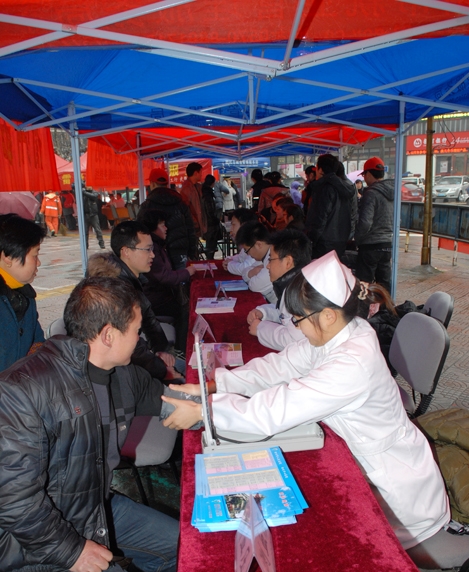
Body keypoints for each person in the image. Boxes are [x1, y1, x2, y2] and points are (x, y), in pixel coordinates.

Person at [162, 251, 450, 553]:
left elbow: (277, 409)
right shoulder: (340, 332)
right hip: (366, 461)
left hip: (398, 494)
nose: (296, 327)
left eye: (299, 319)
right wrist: (214, 385)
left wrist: (204, 412)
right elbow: (281, 366)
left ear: (327, 315)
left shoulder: (353, 362)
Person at [0, 276, 179, 572]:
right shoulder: (22, 391)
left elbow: (170, 400)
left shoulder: (120, 375)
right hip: (26, 543)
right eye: (136, 330)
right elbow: (13, 502)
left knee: (179, 543)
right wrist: (74, 551)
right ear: (108, 334)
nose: (140, 339)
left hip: (90, 503)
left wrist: (212, 402)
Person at [109, 221, 177, 373]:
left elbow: (149, 320)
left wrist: (161, 350)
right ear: (126, 251)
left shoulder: (131, 279)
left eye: (152, 249)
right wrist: (162, 370)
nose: (153, 255)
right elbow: (129, 345)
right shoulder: (114, 290)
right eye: (147, 249)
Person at [140, 209, 196, 352]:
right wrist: (186, 272)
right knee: (186, 311)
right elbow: (164, 276)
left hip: (161, 295)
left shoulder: (158, 246)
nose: (166, 228)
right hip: (156, 299)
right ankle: (182, 350)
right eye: (162, 225)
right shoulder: (153, 248)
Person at [247, 228, 311, 350]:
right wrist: (263, 312)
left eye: (271, 259)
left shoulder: (302, 293)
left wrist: (260, 329)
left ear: (288, 262)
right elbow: (284, 315)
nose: (267, 266)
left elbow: (294, 340)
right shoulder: (293, 284)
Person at [0, 215, 45, 372]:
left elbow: (37, 342)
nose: (38, 262)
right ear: (8, 257)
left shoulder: (25, 296)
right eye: (35, 255)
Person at [138, 167, 198, 270]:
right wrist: (192, 253)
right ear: (167, 184)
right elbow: (191, 229)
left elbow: (140, 232)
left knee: (163, 278)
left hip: (156, 254)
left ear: (152, 184)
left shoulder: (147, 205)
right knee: (182, 277)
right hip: (180, 252)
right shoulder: (180, 202)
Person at [305, 154, 356, 260]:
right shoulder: (344, 188)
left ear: (320, 170)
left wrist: (311, 240)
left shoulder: (324, 188)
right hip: (341, 240)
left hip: (323, 242)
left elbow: (320, 218)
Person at [354, 157, 394, 292]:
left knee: (364, 287)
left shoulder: (371, 193)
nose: (364, 178)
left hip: (370, 246)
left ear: (369, 174)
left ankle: (365, 307)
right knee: (384, 287)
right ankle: (386, 305)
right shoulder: (392, 193)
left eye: (364, 175)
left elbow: (365, 222)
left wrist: (357, 239)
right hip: (387, 244)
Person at [235, 221, 276, 303]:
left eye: (247, 250)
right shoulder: (264, 256)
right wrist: (252, 272)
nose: (248, 254)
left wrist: (250, 274)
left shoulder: (275, 257)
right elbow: (245, 272)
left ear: (259, 245)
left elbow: (255, 286)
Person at [222, 208, 258, 274]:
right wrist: (230, 259)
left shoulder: (255, 243)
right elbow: (241, 257)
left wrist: (229, 264)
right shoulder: (247, 242)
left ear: (244, 225)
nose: (231, 229)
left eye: (233, 225)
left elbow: (246, 268)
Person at [180, 162, 207, 243]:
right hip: (193, 226)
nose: (201, 175)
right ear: (195, 173)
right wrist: (195, 223)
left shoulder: (198, 187)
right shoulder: (186, 189)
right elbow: (186, 208)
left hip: (197, 225)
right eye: (200, 172)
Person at [201, 174, 222, 259]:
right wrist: (215, 219)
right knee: (211, 245)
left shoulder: (203, 191)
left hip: (207, 222)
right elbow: (209, 209)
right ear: (212, 183)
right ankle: (210, 260)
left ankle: (209, 259)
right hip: (210, 223)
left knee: (210, 244)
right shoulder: (208, 194)